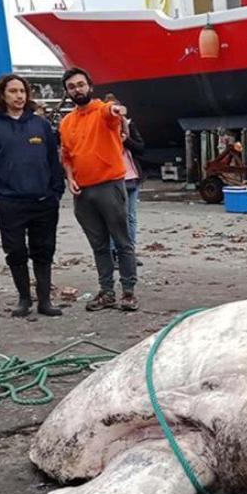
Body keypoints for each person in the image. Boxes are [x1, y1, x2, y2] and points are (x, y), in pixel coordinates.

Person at [0, 74, 65, 317]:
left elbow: (53, 162)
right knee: (15, 251)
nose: (19, 96)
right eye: (13, 91)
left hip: (43, 201)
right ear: (2, 95)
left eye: (22, 91)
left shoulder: (41, 125)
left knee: (44, 250)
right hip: (9, 202)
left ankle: (44, 300)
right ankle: (24, 299)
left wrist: (56, 191)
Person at [58, 67, 139, 312]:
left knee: (122, 241)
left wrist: (117, 110)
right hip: (83, 191)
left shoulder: (103, 112)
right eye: (72, 87)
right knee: (99, 245)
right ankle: (107, 292)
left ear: (90, 87)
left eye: (81, 85)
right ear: (67, 92)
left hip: (109, 185)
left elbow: (111, 112)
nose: (77, 90)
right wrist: (70, 179)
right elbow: (67, 156)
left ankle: (128, 292)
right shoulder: (67, 122)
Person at [104, 94, 146, 268]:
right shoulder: (103, 129)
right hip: (114, 179)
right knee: (115, 218)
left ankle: (129, 253)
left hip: (132, 178)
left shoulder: (129, 126)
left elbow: (141, 148)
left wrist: (125, 140)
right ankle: (114, 254)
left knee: (131, 218)